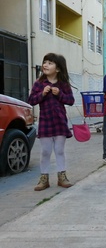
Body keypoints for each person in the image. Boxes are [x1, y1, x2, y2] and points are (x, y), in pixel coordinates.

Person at [27, 53, 75, 191]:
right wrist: (42, 93)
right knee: (45, 152)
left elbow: (71, 100)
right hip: (45, 122)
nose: (46, 65)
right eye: (45, 62)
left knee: (59, 151)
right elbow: (31, 100)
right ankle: (44, 179)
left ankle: (62, 177)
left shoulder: (63, 84)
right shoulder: (39, 83)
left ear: (58, 68)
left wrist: (59, 93)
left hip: (60, 122)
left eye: (50, 63)